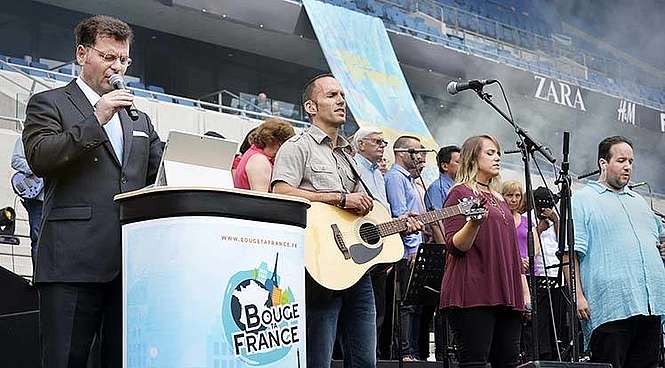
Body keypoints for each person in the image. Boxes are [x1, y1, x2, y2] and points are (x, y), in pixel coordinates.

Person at [22, 15, 162, 367]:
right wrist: (95, 119)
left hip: (128, 267)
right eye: (108, 57)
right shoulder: (48, 102)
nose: (117, 67)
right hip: (71, 263)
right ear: (82, 54)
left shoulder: (138, 119)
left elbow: (159, 173)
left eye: (124, 60)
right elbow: (41, 158)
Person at [271, 74, 421, 367]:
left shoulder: (348, 155)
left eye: (342, 94)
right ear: (310, 107)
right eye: (331, 95)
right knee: (319, 358)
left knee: (366, 360)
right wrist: (339, 198)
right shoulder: (297, 146)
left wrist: (399, 224)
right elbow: (281, 192)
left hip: (356, 268)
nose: (341, 100)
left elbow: (360, 214)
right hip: (320, 265)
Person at [572, 136, 665, 368]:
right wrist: (577, 295)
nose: (628, 166)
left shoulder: (639, 201)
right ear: (604, 163)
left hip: (650, 304)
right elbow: (570, 253)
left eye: (631, 161)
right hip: (611, 306)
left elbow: (656, 239)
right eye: (622, 160)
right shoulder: (583, 199)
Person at [440, 135, 529, 368]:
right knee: (474, 361)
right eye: (490, 153)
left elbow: (511, 250)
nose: (497, 157)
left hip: (506, 291)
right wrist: (474, 223)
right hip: (473, 290)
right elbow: (455, 245)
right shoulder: (459, 193)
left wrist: (523, 290)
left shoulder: (499, 197)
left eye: (497, 152)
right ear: (472, 157)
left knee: (509, 361)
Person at [384, 135, 427, 361]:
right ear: (402, 153)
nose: (421, 156)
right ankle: (405, 352)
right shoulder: (395, 178)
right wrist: (411, 249)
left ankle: (412, 350)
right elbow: (401, 216)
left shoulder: (408, 179)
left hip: (412, 248)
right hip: (404, 250)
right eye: (416, 151)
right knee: (406, 304)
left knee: (414, 303)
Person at [352, 126, 391, 358]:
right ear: (360, 145)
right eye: (376, 141)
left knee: (378, 307)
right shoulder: (353, 166)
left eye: (383, 142)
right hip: (359, 243)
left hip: (379, 244)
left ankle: (372, 354)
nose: (382, 146)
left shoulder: (378, 173)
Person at [233, 118, 294, 192]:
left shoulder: (251, 153)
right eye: (281, 144)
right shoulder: (259, 160)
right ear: (272, 140)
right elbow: (261, 197)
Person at [11, 136, 44, 261]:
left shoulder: (59, 139)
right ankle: (37, 277)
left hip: (54, 198)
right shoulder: (25, 138)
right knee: (37, 238)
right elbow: (15, 160)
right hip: (37, 200)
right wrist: (35, 169)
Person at [425, 145, 460, 212]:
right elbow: (437, 218)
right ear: (444, 166)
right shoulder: (436, 188)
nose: (463, 165)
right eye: (458, 162)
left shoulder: (459, 186)